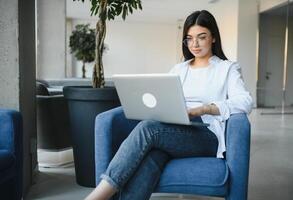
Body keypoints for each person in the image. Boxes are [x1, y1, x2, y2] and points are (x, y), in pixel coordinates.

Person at [85, 10, 253, 200]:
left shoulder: (227, 68)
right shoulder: (179, 69)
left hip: (207, 134)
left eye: (201, 37)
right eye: (189, 38)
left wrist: (205, 108)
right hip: (175, 130)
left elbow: (245, 101)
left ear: (213, 37)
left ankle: (98, 195)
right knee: (151, 157)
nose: (194, 44)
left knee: (149, 129)